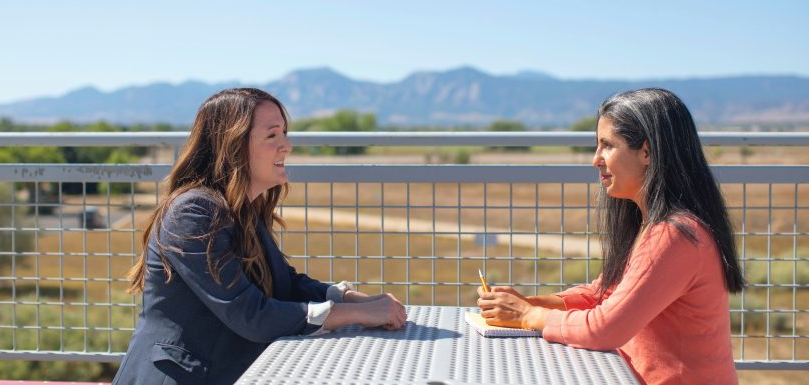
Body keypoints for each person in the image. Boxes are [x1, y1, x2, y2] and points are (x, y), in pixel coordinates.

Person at [113, 88, 407, 385]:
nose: (286, 146)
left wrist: (354, 300)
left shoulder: (241, 208)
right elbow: (250, 314)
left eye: (284, 134)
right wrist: (355, 314)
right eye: (272, 136)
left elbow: (286, 284)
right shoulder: (194, 213)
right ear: (233, 145)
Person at [477, 88, 744, 385]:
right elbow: (602, 293)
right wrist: (529, 302)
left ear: (647, 152)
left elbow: (605, 328)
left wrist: (530, 316)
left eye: (607, 145)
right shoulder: (652, 224)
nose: (596, 159)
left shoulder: (676, 235)